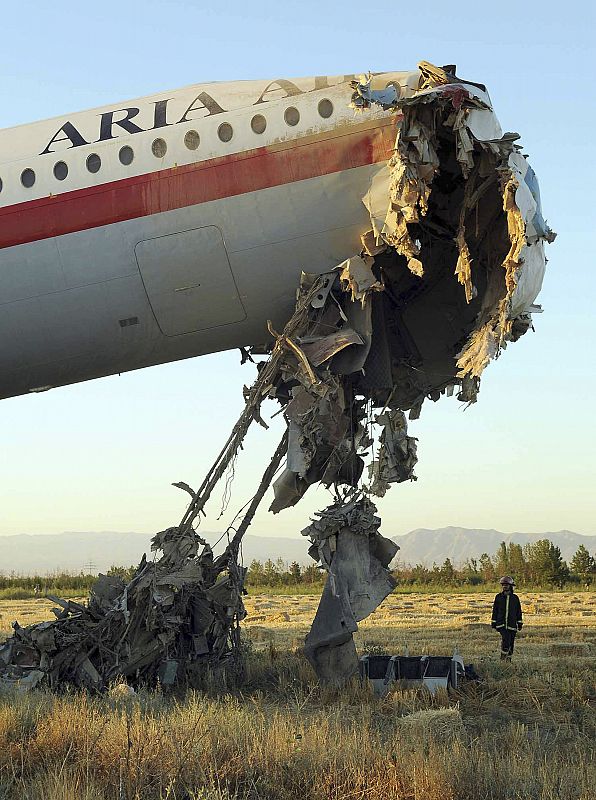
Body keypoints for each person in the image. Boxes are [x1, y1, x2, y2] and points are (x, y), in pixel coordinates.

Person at [491, 576, 523, 661]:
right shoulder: (498, 597)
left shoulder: (515, 598)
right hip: (501, 624)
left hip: (512, 624)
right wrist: (493, 622)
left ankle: (508, 660)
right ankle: (503, 659)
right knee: (506, 641)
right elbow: (495, 610)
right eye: (503, 585)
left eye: (506, 585)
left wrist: (519, 623)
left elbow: (518, 611)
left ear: (511, 586)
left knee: (511, 643)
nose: (504, 586)